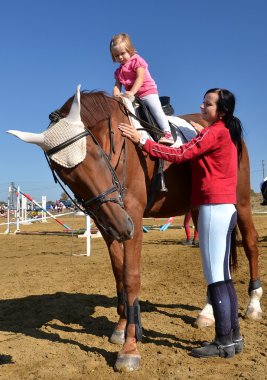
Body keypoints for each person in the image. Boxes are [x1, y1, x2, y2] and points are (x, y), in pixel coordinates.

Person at [118, 88, 244, 359]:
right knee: (224, 277)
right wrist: (202, 132)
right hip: (225, 207)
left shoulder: (215, 132)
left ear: (220, 111)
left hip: (212, 208)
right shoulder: (225, 132)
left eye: (208, 104)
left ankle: (223, 341)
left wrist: (142, 141)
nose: (201, 105)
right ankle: (233, 337)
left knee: (215, 279)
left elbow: (180, 154)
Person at [110, 33, 174, 145]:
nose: (120, 57)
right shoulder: (118, 71)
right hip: (133, 97)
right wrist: (116, 95)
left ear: (130, 50)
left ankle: (167, 133)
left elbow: (140, 78)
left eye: (122, 53)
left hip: (147, 91)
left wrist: (132, 92)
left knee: (155, 109)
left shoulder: (137, 61)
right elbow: (117, 85)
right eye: (116, 55)